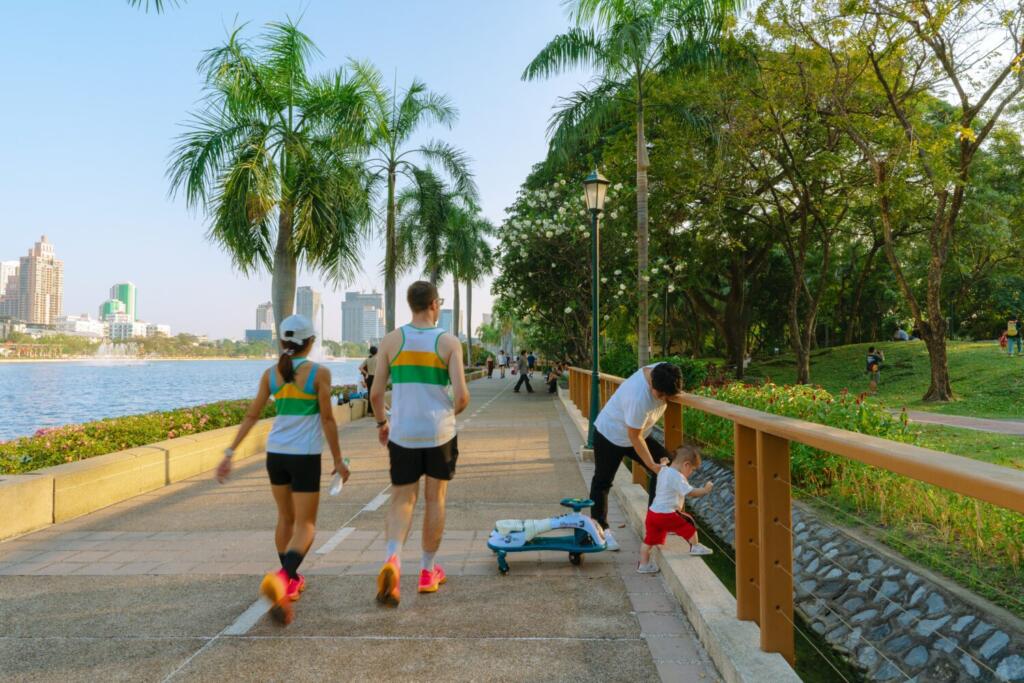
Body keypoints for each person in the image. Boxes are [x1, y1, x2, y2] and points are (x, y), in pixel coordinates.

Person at [216, 314, 350, 625]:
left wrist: (229, 453)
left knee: (285, 518)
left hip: (275, 455)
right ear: (311, 342)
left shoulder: (270, 374)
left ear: (281, 342)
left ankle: (290, 579)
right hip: (303, 457)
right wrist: (339, 460)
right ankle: (283, 577)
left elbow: (251, 416)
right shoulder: (320, 374)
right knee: (306, 525)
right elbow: (328, 421)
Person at [370, 281, 470, 607]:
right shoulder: (449, 342)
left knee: (402, 499)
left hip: (403, 433)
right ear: (434, 305)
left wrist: (383, 423)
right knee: (435, 500)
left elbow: (375, 395)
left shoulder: (391, 341)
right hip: (439, 433)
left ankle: (392, 559)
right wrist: (444, 416)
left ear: (410, 305)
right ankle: (427, 572)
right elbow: (463, 397)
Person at [588, 362, 683, 551]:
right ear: (651, 385)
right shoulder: (638, 396)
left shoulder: (663, 372)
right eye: (660, 395)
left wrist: (657, 466)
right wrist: (651, 464)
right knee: (603, 481)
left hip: (637, 433)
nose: (664, 399)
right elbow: (634, 436)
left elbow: (637, 435)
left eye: (668, 396)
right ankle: (601, 530)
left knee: (668, 466)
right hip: (611, 434)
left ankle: (656, 521)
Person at [637, 445, 714, 573]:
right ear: (686, 465)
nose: (691, 473)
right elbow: (690, 492)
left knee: (649, 540)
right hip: (666, 514)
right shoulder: (677, 476)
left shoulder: (664, 471)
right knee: (688, 524)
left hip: (653, 513)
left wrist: (663, 463)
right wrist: (705, 490)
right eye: (692, 470)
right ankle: (695, 546)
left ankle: (643, 565)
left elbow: (662, 467)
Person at [359, 346, 379, 416]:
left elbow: (360, 367)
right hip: (376, 378)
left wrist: (366, 373)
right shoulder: (378, 359)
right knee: (376, 395)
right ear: (377, 352)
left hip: (369, 378)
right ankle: (375, 412)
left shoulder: (367, 360)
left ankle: (369, 412)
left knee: (370, 394)